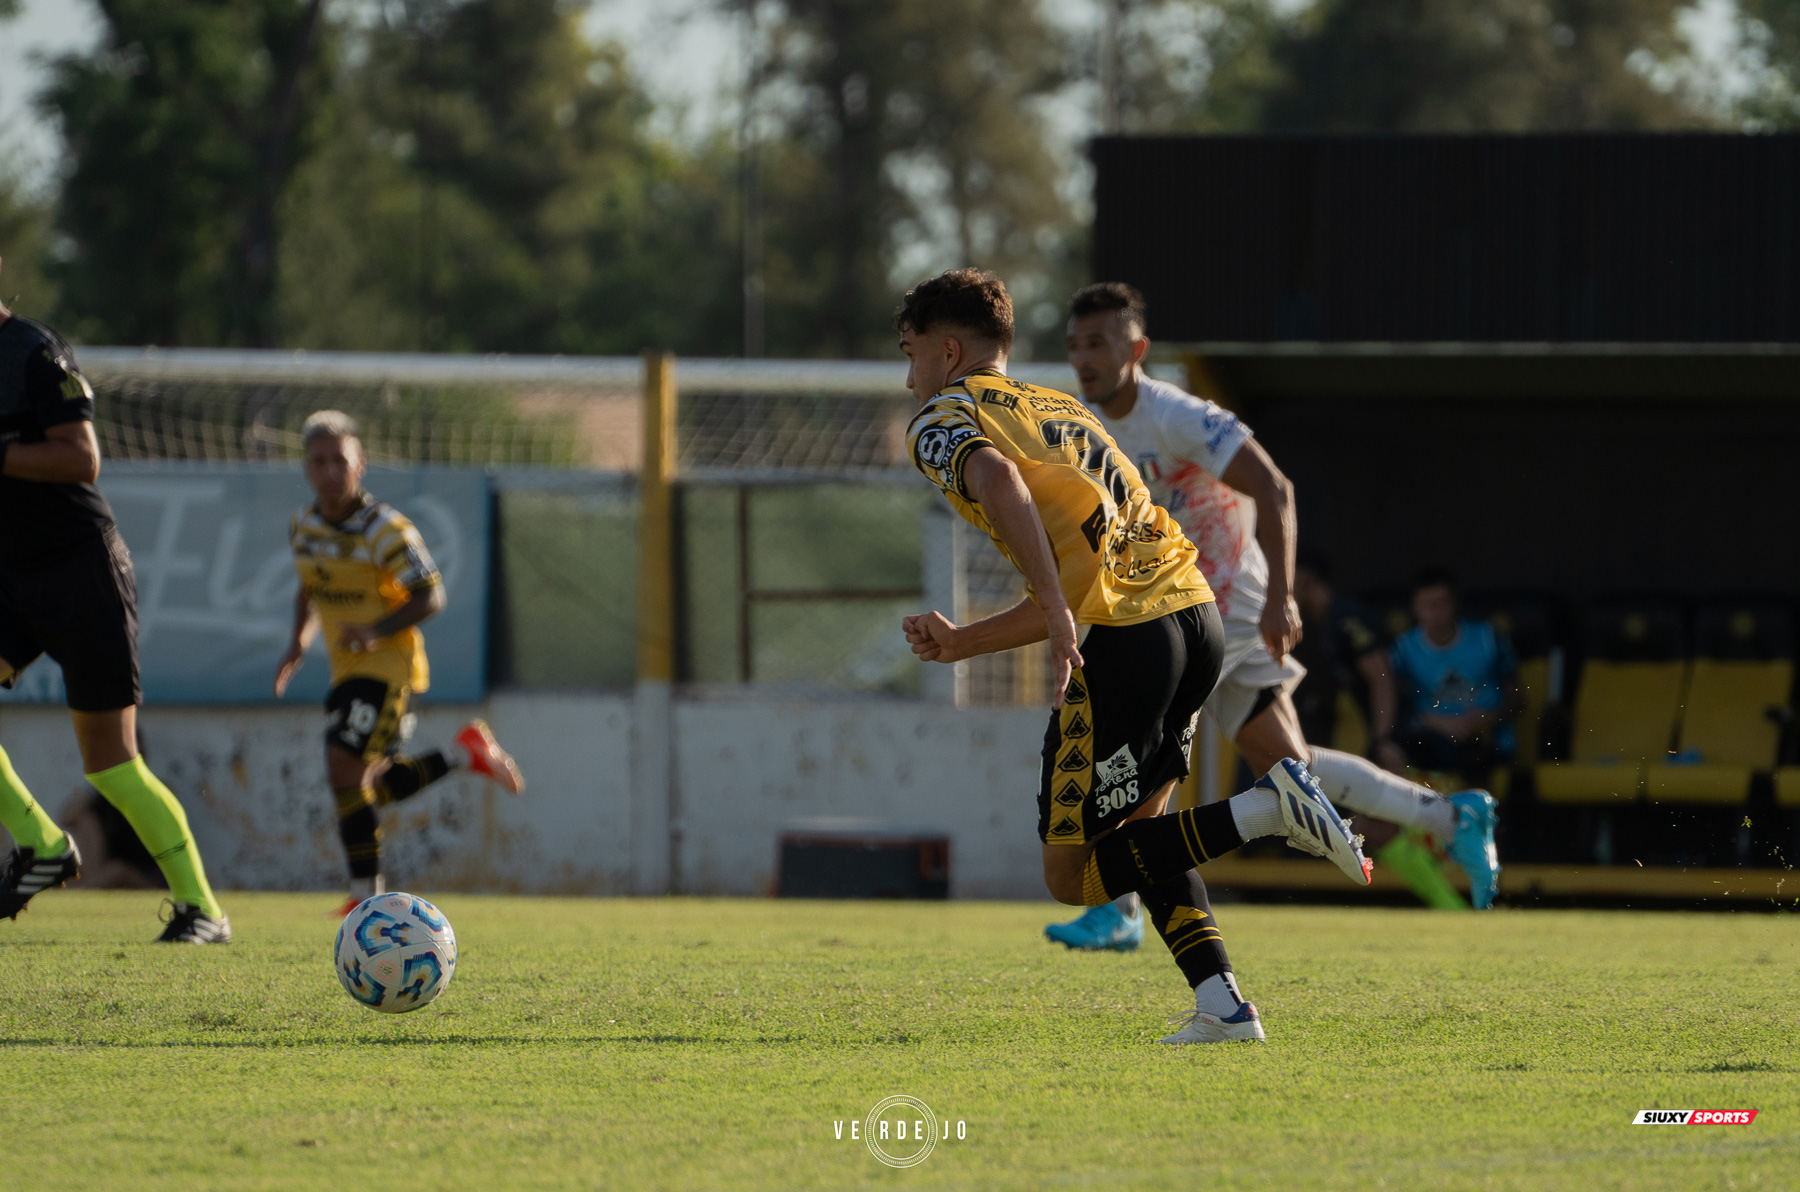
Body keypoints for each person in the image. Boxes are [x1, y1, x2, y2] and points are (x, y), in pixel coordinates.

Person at [897, 268, 1370, 1046]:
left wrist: (1053, 614)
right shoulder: (1061, 409)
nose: (908, 373)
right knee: (1140, 840)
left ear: (948, 351)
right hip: (1193, 620)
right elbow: (1091, 578)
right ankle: (1222, 1005)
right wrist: (967, 642)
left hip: (1127, 645)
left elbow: (999, 483)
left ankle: (1269, 806)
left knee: (1072, 876)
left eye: (911, 352)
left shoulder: (944, 417)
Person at [1038, 283, 1498, 923]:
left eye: (1098, 343)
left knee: (1149, 736)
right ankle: (1452, 816)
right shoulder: (1089, 435)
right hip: (1184, 605)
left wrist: (1282, 596)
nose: (1083, 358)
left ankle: (1116, 910)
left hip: (1227, 602)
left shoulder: (1175, 414)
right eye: (1074, 346)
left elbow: (1273, 487)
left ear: (1136, 348)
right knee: (1288, 763)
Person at [0, 262, 231, 941]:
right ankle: (42, 846)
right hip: (10, 579)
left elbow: (81, 458)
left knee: (111, 764)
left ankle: (202, 911)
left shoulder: (34, 352)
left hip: (82, 570)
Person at [275, 411, 524, 915]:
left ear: (360, 465)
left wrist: (375, 631)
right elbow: (310, 582)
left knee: (342, 768)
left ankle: (364, 897)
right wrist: (298, 641)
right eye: (319, 462)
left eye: (339, 461)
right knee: (370, 787)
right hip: (346, 670)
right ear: (306, 468)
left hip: (388, 668)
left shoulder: (384, 528)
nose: (329, 472)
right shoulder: (303, 524)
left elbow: (430, 595)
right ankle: (463, 753)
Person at [1385, 567, 1520, 789]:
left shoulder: (1489, 638)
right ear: (1415, 608)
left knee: (1476, 751)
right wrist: (1436, 722)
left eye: (1441, 603)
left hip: (1487, 738)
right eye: (1426, 605)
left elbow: (1517, 698)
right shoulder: (1403, 649)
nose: (1434, 613)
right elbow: (1394, 702)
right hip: (1432, 738)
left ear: (1455, 603)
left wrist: (1491, 717)